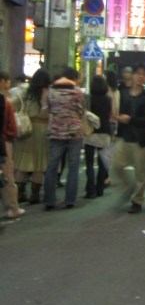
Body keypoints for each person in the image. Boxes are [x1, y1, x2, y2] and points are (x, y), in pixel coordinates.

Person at [112, 63, 145, 214]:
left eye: (144, 74)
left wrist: (130, 119)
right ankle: (128, 186)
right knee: (116, 166)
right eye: (138, 73)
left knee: (140, 173)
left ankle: (137, 200)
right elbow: (117, 112)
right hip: (124, 137)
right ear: (133, 76)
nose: (140, 77)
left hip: (140, 140)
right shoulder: (123, 94)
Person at [43, 67, 85, 210]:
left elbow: (48, 109)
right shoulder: (77, 91)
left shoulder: (51, 90)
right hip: (74, 132)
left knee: (52, 166)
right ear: (73, 78)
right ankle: (70, 200)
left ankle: (49, 201)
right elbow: (81, 111)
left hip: (56, 131)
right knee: (73, 166)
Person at [13, 69, 51, 205]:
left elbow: (12, 104)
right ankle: (34, 195)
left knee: (23, 164)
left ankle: (19, 193)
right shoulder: (49, 93)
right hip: (43, 130)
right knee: (39, 165)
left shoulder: (26, 92)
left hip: (27, 129)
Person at [83, 74, 112, 199]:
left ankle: (90, 190)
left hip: (91, 132)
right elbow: (109, 114)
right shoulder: (108, 99)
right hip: (105, 131)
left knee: (89, 163)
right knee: (102, 163)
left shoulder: (88, 99)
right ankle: (100, 189)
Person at [0, 72, 24, 218]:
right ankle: (13, 208)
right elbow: (12, 128)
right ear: (2, 81)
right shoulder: (5, 103)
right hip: (4, 142)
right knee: (8, 177)